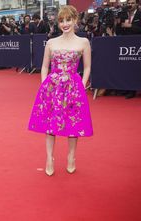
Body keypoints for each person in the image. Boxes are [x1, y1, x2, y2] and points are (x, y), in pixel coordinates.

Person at [28, 5, 93, 176]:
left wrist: (82, 85)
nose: (65, 24)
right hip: (52, 88)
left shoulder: (83, 42)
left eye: (68, 20)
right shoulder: (51, 42)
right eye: (61, 20)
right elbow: (44, 67)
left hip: (73, 88)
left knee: (73, 123)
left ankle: (71, 156)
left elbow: (87, 68)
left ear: (75, 20)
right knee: (50, 125)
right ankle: (49, 158)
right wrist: (45, 86)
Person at [117, 0, 141, 99]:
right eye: (129, 3)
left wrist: (131, 26)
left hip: (137, 45)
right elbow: (118, 31)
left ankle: (133, 90)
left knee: (135, 68)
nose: (130, 5)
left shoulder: (140, 14)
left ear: (137, 3)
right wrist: (118, 23)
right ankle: (126, 88)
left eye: (132, 3)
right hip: (125, 44)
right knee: (126, 68)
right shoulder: (123, 14)